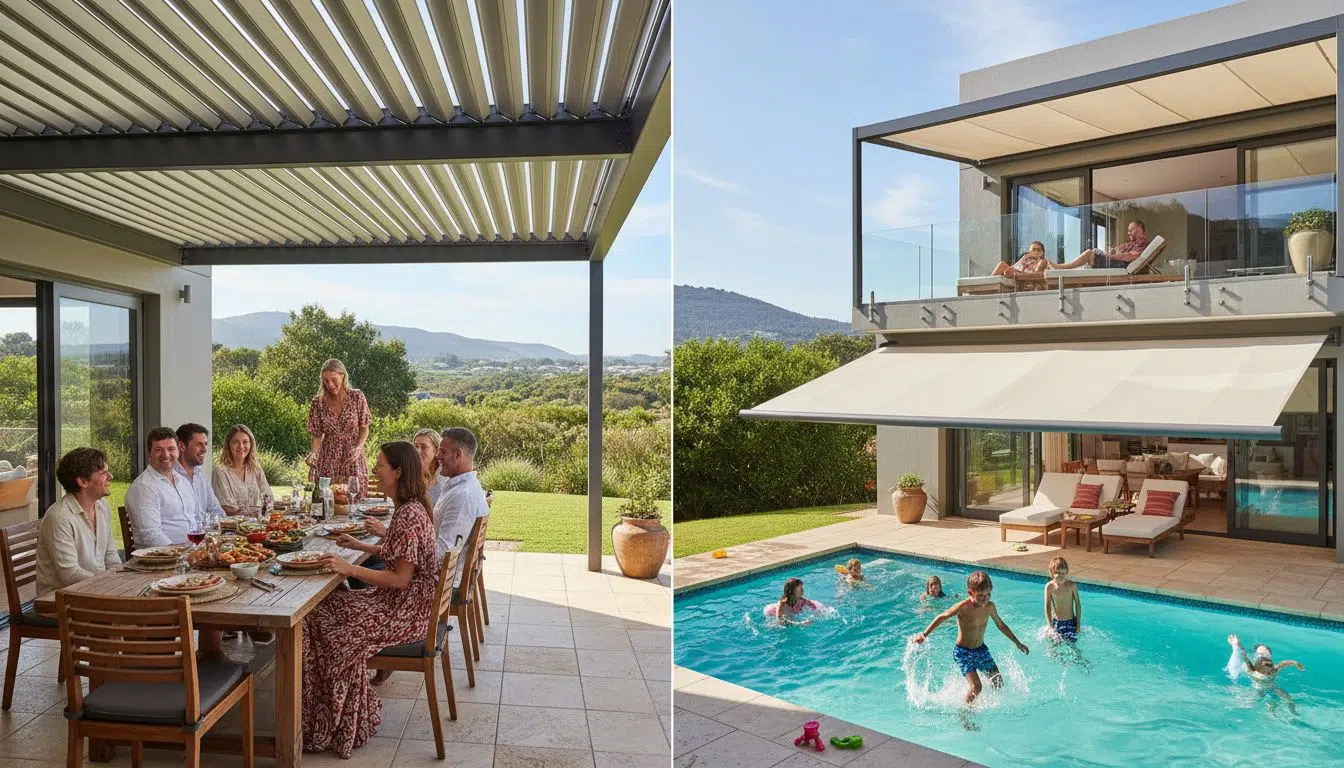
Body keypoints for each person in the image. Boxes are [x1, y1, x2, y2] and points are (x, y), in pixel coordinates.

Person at [300, 441, 438, 757]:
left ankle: (334, 720)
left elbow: (400, 579)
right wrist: (361, 548)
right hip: (403, 606)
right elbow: (403, 554)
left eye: (379, 465)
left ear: (398, 472)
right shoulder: (413, 507)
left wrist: (350, 568)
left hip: (402, 613)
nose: (374, 470)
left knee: (320, 621)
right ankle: (323, 711)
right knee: (324, 606)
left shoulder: (409, 513)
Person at [913, 571, 1029, 705]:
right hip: (963, 653)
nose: (985, 598)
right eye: (981, 595)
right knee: (977, 687)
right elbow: (942, 617)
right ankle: (965, 713)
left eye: (988, 595)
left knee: (998, 682)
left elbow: (1001, 625)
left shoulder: (990, 607)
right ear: (970, 592)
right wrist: (924, 635)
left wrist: (1017, 643)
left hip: (981, 650)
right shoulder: (963, 607)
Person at [35, 448, 121, 596]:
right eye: (103, 473)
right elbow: (70, 574)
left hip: (96, 590)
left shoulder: (102, 507)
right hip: (62, 599)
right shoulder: (59, 517)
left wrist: (121, 579)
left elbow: (110, 555)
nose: (110, 476)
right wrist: (110, 585)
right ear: (83, 481)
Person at [125, 427, 203, 547]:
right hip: (161, 559)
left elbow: (197, 519)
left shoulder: (183, 481)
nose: (166, 455)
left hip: (192, 552)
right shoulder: (143, 487)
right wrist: (182, 553)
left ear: (178, 450)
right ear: (149, 453)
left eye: (171, 449)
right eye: (158, 450)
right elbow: (151, 536)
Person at [307, 358, 372, 499]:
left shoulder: (357, 397)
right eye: (325, 380)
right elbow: (316, 434)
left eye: (333, 379)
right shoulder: (317, 403)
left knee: (354, 496)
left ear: (343, 376)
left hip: (352, 455)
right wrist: (313, 454)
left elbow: (364, 427)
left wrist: (359, 447)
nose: (329, 384)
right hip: (328, 457)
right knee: (326, 497)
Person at [1228, 634, 1305, 712]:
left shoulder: (1262, 670)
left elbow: (1245, 657)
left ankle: (1291, 710)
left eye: (1264, 653)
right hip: (1259, 690)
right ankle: (1272, 711)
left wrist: (1295, 663)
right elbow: (1245, 656)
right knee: (1267, 699)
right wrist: (1237, 645)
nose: (1261, 655)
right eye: (1259, 654)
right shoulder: (1260, 671)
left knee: (1285, 696)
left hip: (1272, 687)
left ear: (1270, 654)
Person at [212, 424, 272, 516]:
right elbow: (229, 508)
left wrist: (265, 506)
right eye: (235, 442)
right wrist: (258, 510)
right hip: (232, 527)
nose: (241, 446)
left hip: (256, 526)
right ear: (229, 445)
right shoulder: (220, 472)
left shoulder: (255, 468)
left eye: (245, 442)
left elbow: (268, 497)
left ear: (251, 445)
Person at [174, 423, 227, 527]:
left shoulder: (199, 473)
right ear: (181, 446)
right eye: (198, 444)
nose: (204, 449)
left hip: (205, 536)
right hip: (185, 539)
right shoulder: (170, 476)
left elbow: (215, 509)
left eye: (205, 444)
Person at [1075, 220, 1150, 269]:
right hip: (1117, 261)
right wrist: (1112, 251)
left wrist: (1108, 255)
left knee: (1090, 253)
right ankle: (1070, 268)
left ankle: (1066, 267)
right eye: (1128, 231)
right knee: (1093, 252)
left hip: (1121, 265)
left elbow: (1130, 256)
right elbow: (1115, 249)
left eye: (1131, 230)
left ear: (1140, 228)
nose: (1128, 233)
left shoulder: (1142, 242)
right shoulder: (1131, 242)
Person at [1044, 556, 1082, 642]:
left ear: (1067, 572)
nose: (1060, 576)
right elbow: (1047, 606)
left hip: (1071, 622)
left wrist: (1078, 624)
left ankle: (1079, 656)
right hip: (1056, 622)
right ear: (1052, 573)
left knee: (1073, 645)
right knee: (1054, 646)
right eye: (1057, 573)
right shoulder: (1049, 587)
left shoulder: (1072, 586)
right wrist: (1049, 625)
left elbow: (1077, 604)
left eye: (1063, 573)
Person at [411, 428, 447, 506]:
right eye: (416, 446)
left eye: (424, 447)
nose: (418, 451)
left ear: (437, 450)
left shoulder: (443, 478)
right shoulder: (414, 474)